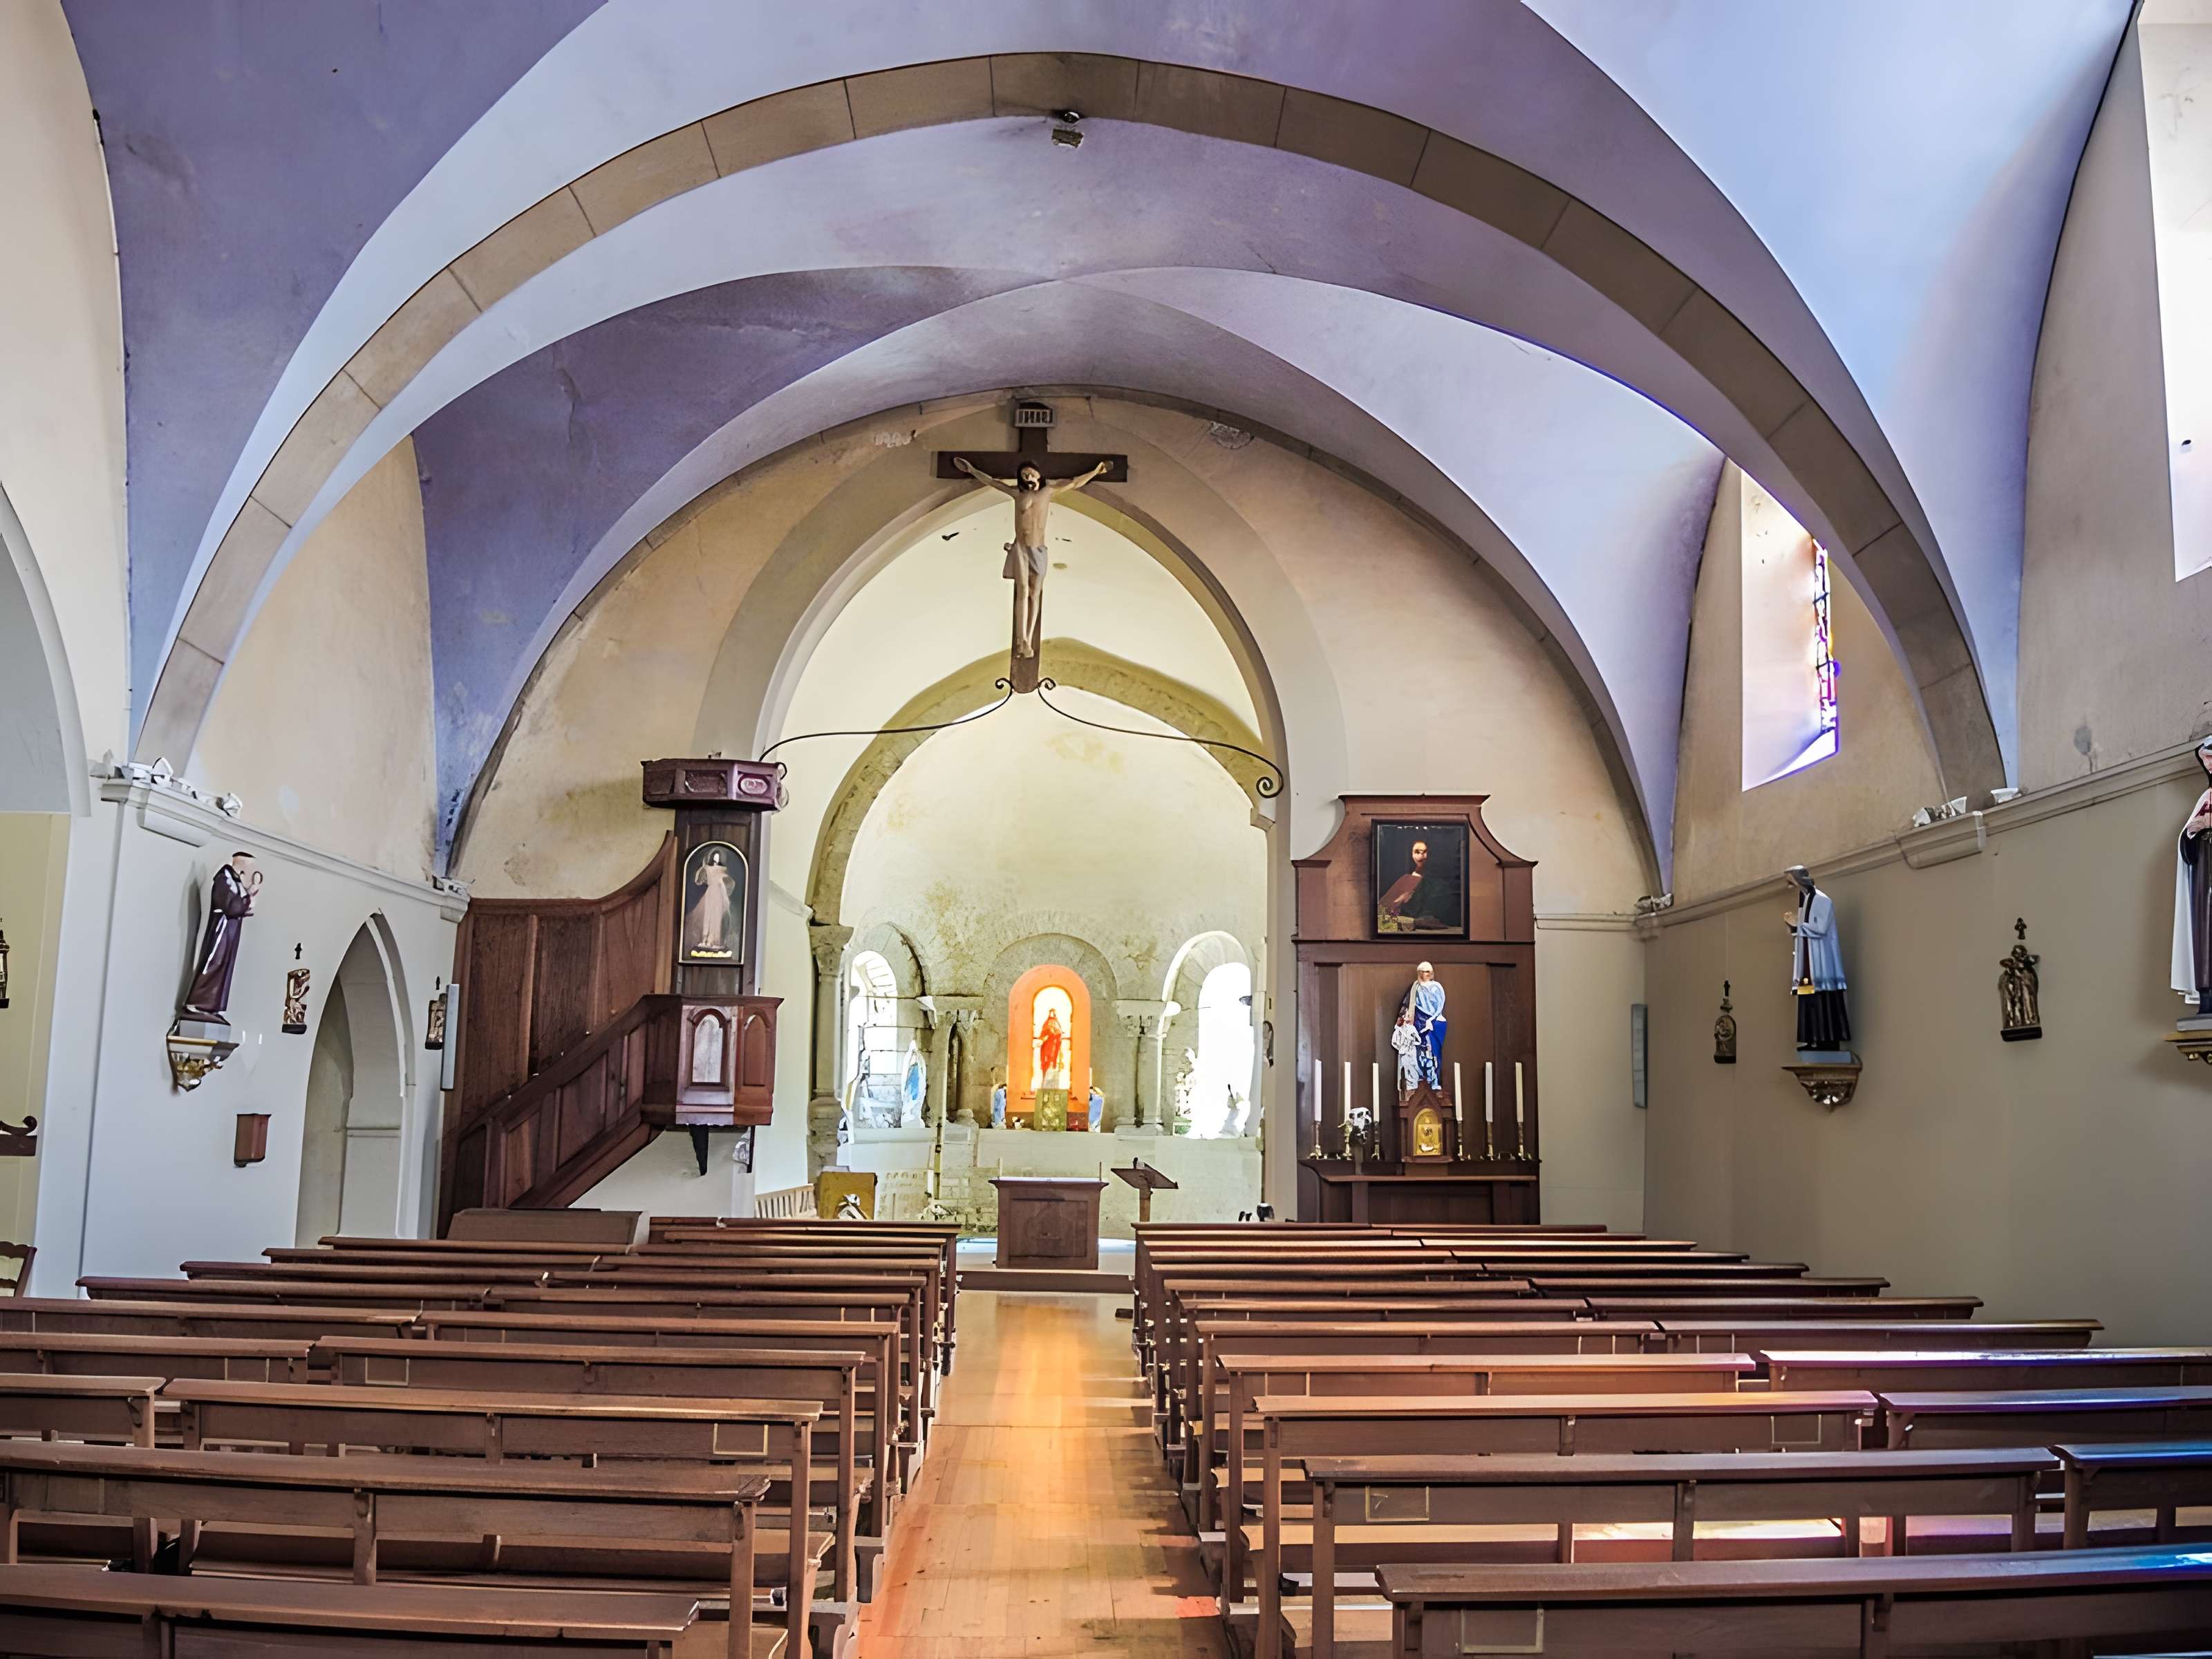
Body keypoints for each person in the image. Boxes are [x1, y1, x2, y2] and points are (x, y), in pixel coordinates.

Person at [182, 851, 261, 1019]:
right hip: (221, 928)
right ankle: (197, 1002)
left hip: (231, 930)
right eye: (249, 865)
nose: (250, 869)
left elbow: (239, 904)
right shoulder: (224, 878)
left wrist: (248, 898)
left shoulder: (236, 881)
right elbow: (231, 905)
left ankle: (212, 1006)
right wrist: (247, 900)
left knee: (225, 967)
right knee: (214, 963)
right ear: (240, 862)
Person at [1785, 865, 1851, 1050]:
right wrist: (1794, 926)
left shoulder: (1822, 900)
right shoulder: (1805, 900)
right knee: (1808, 999)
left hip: (1820, 962)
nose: (1791, 886)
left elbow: (1821, 928)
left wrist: (1798, 924)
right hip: (1808, 961)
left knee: (1823, 1000)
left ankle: (1827, 1040)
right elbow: (1803, 930)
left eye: (1792, 881)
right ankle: (1812, 1039)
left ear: (1800, 880)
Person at [2175, 736, 2212, 1012]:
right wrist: (2195, 832)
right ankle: (2208, 996)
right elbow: (2187, 846)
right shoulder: (2206, 799)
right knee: (2206, 932)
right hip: (2206, 873)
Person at [1378, 837, 1459, 931]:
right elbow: (1383, 908)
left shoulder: (1439, 883)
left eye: (1425, 852)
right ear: (1412, 854)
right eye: (1417, 852)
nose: (1421, 856)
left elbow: (1433, 916)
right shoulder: (1406, 878)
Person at [1399, 962, 1447, 1089]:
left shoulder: (1437, 987)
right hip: (1419, 1021)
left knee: (1434, 1051)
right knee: (1419, 1051)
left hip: (1434, 1022)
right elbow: (1407, 1006)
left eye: (1426, 972)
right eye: (1421, 972)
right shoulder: (1415, 987)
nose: (1424, 974)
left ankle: (1435, 1080)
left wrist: (1431, 1019)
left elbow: (1440, 1005)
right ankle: (1420, 1078)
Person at [1390, 1009, 1422, 1097]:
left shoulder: (1412, 1028)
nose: (1410, 1016)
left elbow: (1419, 1040)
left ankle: (1415, 1087)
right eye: (1408, 1015)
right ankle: (1409, 1089)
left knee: (1414, 1068)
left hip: (1412, 1052)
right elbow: (1394, 1042)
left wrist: (1413, 1043)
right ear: (1403, 1017)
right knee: (1406, 1070)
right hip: (1404, 1053)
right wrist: (1401, 1048)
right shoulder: (1398, 1030)